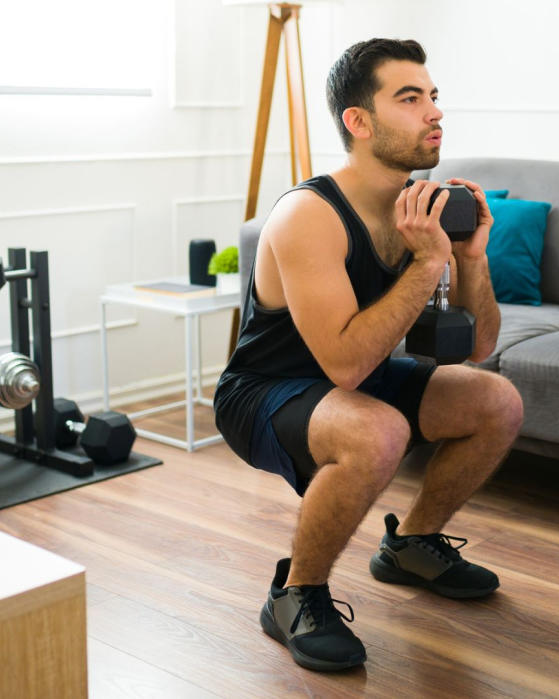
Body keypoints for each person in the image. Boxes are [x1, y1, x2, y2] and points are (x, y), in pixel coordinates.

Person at [213, 38, 524, 672]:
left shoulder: (423, 208)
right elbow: (345, 367)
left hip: (357, 377)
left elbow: (481, 347)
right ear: (359, 121)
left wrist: (468, 255)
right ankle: (295, 594)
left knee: (497, 401)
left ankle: (411, 546)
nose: (433, 112)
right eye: (409, 99)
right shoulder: (309, 215)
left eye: (433, 97)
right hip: (267, 391)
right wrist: (428, 261)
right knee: (378, 430)